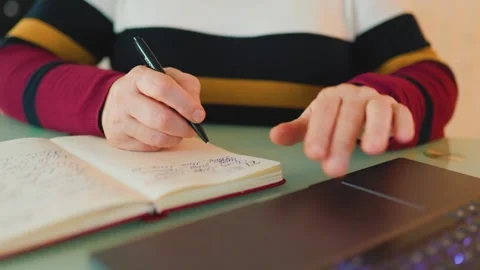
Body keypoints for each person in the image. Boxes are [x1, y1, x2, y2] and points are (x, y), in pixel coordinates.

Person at [0, 0, 457, 178]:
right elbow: (12, 63)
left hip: (318, 200)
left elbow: (433, 77)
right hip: (154, 208)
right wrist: (103, 102)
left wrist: (378, 99)